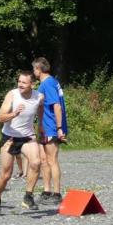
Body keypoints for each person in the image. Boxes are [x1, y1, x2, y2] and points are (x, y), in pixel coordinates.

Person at [0, 71, 44, 215]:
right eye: (19, 81)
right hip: (10, 137)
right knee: (6, 175)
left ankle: (28, 196)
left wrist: (40, 125)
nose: (20, 85)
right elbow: (0, 118)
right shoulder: (12, 95)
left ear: (32, 84)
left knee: (36, 162)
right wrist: (14, 113)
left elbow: (41, 108)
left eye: (24, 83)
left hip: (27, 136)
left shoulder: (39, 96)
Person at [33, 57, 68, 204]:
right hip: (44, 126)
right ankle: (46, 191)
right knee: (43, 160)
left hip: (52, 127)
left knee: (52, 160)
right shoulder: (49, 82)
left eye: (34, 69)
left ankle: (57, 194)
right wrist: (40, 125)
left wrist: (59, 128)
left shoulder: (48, 83)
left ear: (38, 69)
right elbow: (42, 107)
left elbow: (57, 106)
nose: (34, 72)